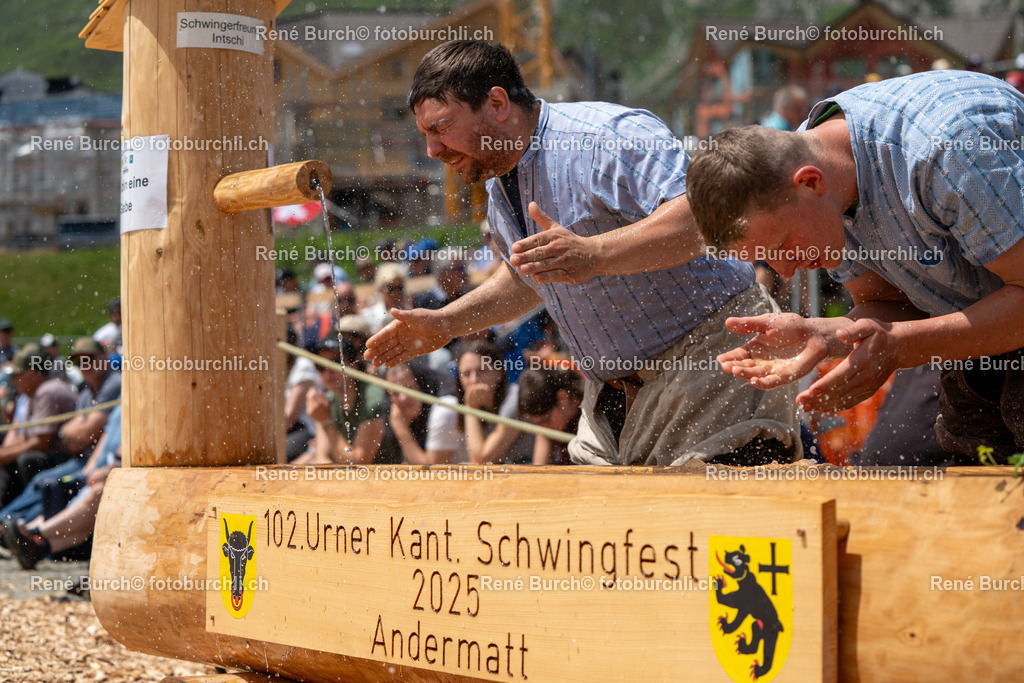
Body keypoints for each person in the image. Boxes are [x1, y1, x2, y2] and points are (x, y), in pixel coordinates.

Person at [364, 40, 800, 467]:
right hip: (613, 397)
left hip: (714, 362)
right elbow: (529, 277)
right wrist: (448, 322)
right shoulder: (499, 186)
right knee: (597, 531)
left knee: (713, 529)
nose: (432, 151)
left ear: (497, 103)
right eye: (425, 135)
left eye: (440, 128)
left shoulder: (605, 137)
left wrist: (595, 254)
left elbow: (707, 216)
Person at [687, 70, 1024, 463]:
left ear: (811, 183)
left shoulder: (948, 148)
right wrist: (827, 334)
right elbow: (889, 302)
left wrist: (901, 347)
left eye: (782, 245)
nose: (785, 271)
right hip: (982, 324)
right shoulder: (806, 167)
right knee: (894, 470)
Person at [423, 341, 533, 464]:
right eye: (466, 374)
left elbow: (480, 459)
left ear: (499, 372)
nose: (474, 380)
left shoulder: (514, 400)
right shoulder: (477, 405)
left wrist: (471, 409)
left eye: (481, 371)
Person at [0, 346, 77, 506]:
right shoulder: (36, 392)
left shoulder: (47, 392)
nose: (13, 382)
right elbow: (27, 437)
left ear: (32, 374)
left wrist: (4, 456)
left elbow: (40, 443)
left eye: (16, 376)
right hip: (59, 454)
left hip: (71, 459)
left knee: (26, 459)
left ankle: (30, 510)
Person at [294, 337, 384, 465]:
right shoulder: (327, 400)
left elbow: (358, 462)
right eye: (320, 366)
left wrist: (326, 421)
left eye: (335, 363)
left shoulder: (372, 397)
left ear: (354, 366)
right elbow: (322, 460)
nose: (327, 371)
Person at [518, 367, 583, 465]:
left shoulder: (594, 412)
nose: (542, 428)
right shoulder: (548, 426)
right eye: (536, 423)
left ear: (563, 398)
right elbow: (539, 471)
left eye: (545, 420)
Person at [378, 363, 440, 464]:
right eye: (396, 393)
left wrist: (401, 429)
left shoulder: (438, 410)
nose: (403, 398)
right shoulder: (389, 416)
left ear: (419, 387)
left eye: (408, 388)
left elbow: (429, 469)